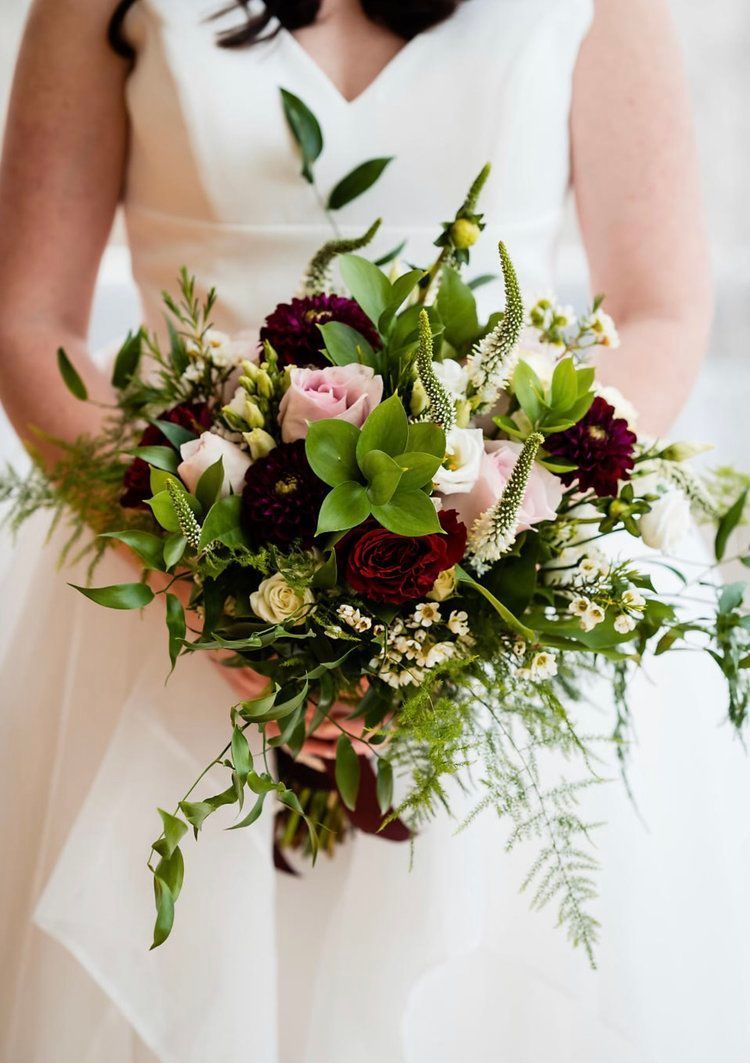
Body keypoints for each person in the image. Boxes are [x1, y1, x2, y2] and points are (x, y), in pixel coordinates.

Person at [2, 2, 748, 1061]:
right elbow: (31, 321)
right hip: (169, 583)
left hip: (511, 596)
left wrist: (492, 538)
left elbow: (663, 305)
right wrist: (192, 582)